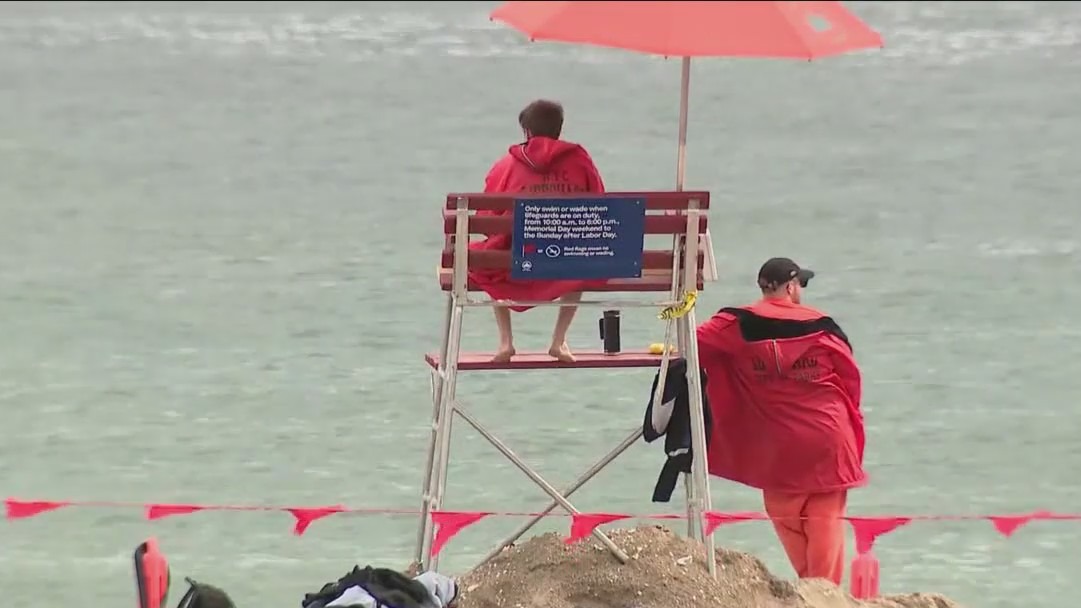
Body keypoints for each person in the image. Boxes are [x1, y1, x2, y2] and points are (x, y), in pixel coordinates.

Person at [696, 257, 866, 586]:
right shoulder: (822, 325)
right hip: (828, 437)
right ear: (790, 288)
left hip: (775, 444)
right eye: (799, 284)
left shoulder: (733, 323)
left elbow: (691, 347)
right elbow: (850, 377)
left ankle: (811, 590)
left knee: (787, 515)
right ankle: (822, 593)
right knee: (826, 521)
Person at [468, 99, 606, 364]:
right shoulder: (579, 159)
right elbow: (600, 202)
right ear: (558, 130)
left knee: (485, 257)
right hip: (567, 259)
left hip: (519, 260)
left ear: (527, 132)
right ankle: (558, 340)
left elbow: (486, 217)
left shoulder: (508, 163)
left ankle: (506, 342)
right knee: (582, 260)